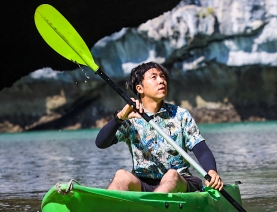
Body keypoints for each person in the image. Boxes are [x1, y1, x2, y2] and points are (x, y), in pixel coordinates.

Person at [95, 61, 224, 193]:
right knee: (121, 175)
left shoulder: (180, 115)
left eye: (162, 76)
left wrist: (212, 172)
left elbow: (201, 150)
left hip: (180, 181)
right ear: (140, 88)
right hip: (143, 183)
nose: (161, 81)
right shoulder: (131, 118)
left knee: (171, 175)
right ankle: (105, 209)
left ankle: (152, 209)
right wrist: (120, 117)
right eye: (154, 77)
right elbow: (101, 143)